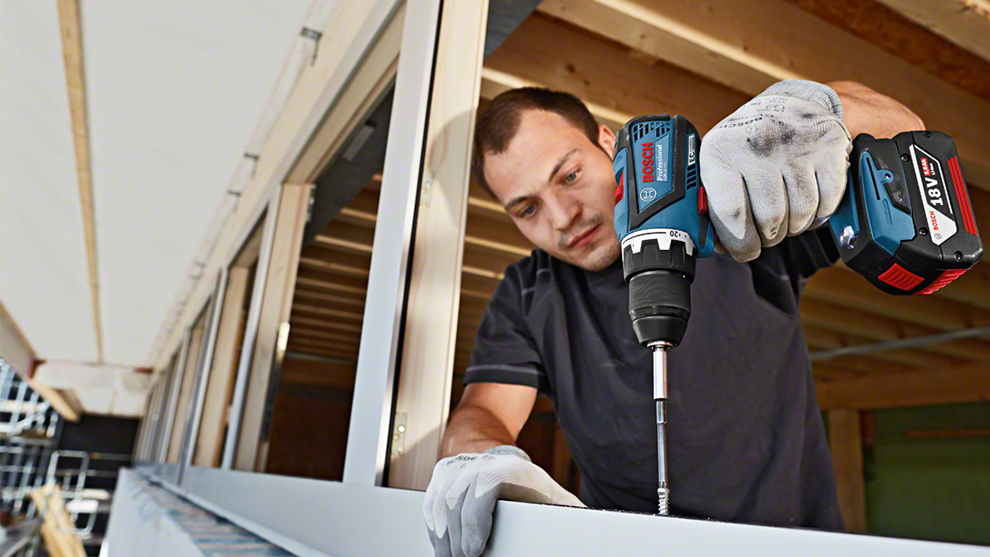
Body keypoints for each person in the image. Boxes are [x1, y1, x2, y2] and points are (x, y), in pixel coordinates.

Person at [422, 80, 924, 557]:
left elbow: (904, 128)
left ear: (607, 142)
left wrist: (814, 113)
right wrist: (483, 460)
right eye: (527, 209)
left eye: (569, 176)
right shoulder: (527, 291)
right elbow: (481, 414)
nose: (561, 217)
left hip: (793, 545)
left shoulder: (723, 207)